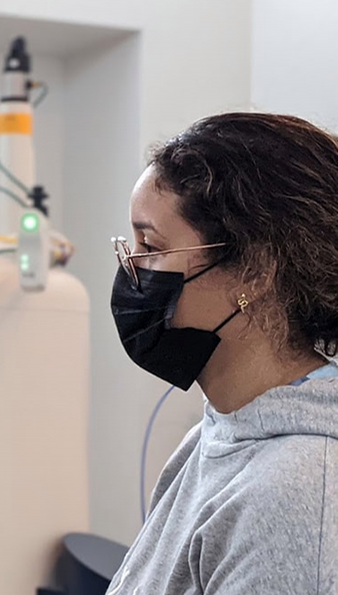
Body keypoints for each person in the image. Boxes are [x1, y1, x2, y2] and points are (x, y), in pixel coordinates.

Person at [107, 112, 338, 594]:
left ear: (255, 271)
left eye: (150, 246)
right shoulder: (221, 429)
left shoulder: (295, 493)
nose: (133, 269)